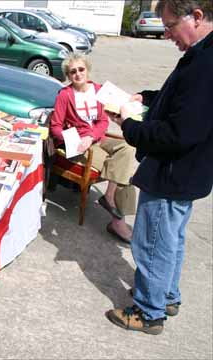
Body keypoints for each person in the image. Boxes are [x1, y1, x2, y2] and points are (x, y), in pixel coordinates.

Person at [106, 0, 213, 335]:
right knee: (170, 240)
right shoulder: (201, 55)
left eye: (169, 26)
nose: (166, 35)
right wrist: (147, 98)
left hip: (172, 172)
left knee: (152, 242)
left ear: (196, 16)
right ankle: (166, 295)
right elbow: (180, 103)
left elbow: (180, 132)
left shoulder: (206, 63)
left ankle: (149, 312)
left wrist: (130, 127)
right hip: (186, 173)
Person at [49, 52, 137, 242]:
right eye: (73, 72)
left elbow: (103, 121)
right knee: (123, 170)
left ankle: (110, 196)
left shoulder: (98, 90)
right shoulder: (65, 95)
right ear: (68, 75)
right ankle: (118, 222)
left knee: (128, 148)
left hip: (97, 138)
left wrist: (92, 136)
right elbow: (55, 126)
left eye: (81, 69)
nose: (78, 74)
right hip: (82, 145)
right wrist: (71, 140)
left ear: (87, 70)